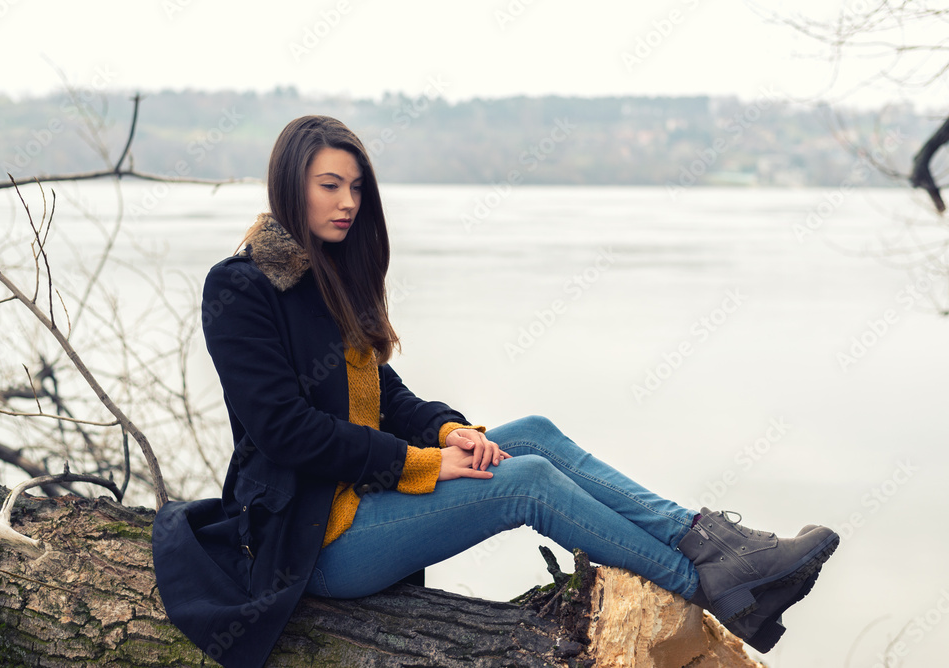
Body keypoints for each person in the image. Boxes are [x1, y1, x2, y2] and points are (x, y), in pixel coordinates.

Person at [152, 115, 839, 668]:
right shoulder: (241, 288)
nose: (349, 202)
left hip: (366, 502)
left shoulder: (332, 279)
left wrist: (450, 432)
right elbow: (285, 431)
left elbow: (390, 398)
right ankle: (713, 589)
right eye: (330, 185)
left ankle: (718, 545)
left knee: (533, 434)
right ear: (288, 184)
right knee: (526, 482)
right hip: (311, 543)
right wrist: (422, 464)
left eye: (356, 188)